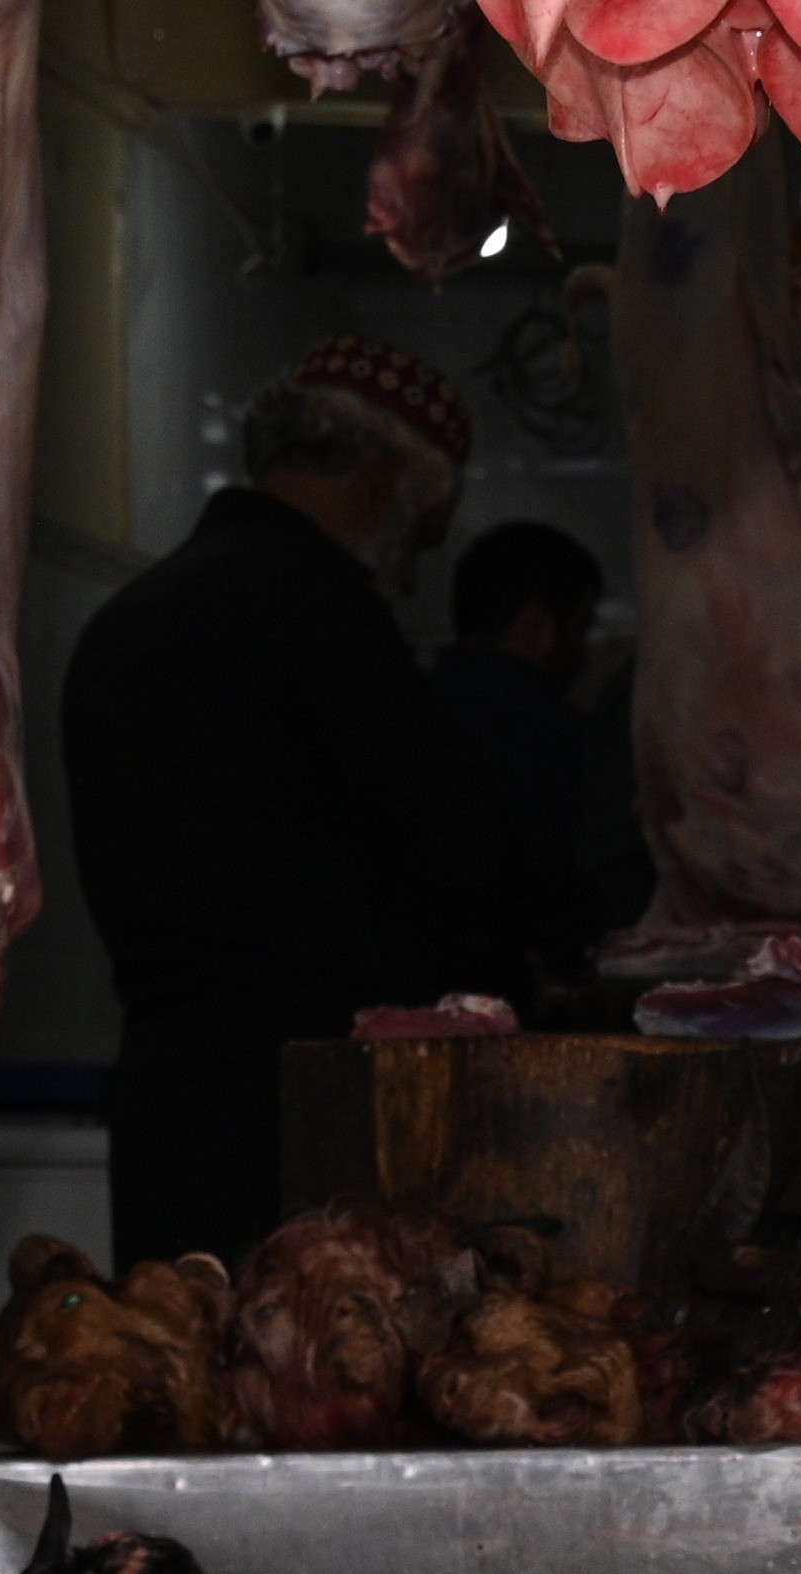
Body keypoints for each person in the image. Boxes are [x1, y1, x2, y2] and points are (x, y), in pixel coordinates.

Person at [57, 337, 530, 1269]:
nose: (420, 551)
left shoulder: (125, 621)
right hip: (316, 1123)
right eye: (428, 522)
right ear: (386, 481)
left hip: (165, 1112)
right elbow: (456, 848)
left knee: (176, 1375)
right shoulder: (326, 619)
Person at [427, 517, 644, 989]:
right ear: (538, 627)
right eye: (579, 630)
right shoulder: (564, 739)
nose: (583, 655)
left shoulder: (403, 711)